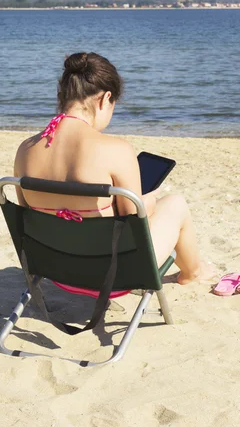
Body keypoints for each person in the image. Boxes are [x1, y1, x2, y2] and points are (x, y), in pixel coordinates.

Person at [14, 52, 212, 285]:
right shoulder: (116, 150)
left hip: (54, 267)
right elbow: (134, 223)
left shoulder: (25, 149)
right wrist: (147, 201)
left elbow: (30, 216)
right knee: (175, 203)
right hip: (111, 272)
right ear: (105, 98)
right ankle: (192, 273)